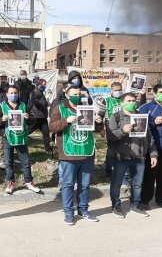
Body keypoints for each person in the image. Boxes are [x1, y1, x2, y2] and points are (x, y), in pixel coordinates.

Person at [49, 84, 103, 225]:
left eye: (79, 94)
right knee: (67, 185)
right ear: (67, 95)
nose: (77, 96)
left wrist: (99, 122)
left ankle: (83, 210)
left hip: (86, 152)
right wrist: (65, 121)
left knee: (84, 185)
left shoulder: (87, 109)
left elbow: (96, 130)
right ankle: (68, 213)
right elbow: (52, 127)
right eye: (74, 94)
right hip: (69, 154)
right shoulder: (59, 109)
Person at [107, 92, 158, 218]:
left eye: (133, 101)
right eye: (129, 101)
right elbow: (110, 135)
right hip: (121, 157)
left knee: (137, 184)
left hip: (139, 156)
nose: (132, 103)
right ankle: (116, 206)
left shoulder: (142, 117)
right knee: (116, 184)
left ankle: (135, 205)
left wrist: (153, 154)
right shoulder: (116, 117)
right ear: (122, 103)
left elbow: (149, 137)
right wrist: (122, 131)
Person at [0, 85, 41, 195]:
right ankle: (10, 182)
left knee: (25, 161)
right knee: (8, 162)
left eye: (15, 93)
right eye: (11, 93)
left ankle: (29, 182)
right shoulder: (1, 106)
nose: (13, 95)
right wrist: (1, 119)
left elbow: (32, 121)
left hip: (21, 137)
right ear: (6, 94)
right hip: (7, 137)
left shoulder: (23, 105)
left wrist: (29, 118)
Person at [102, 82, 123, 178]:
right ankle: (108, 170)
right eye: (116, 90)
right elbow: (101, 114)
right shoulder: (106, 100)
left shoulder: (125, 99)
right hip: (111, 128)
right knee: (111, 151)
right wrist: (102, 128)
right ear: (111, 90)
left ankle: (122, 171)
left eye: (119, 90)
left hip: (124, 127)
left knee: (123, 150)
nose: (118, 92)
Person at [28, 78, 52, 154]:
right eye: (44, 84)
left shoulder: (40, 92)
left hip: (42, 116)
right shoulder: (35, 91)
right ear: (39, 84)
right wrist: (45, 104)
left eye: (45, 84)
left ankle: (48, 149)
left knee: (46, 133)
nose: (45, 86)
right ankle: (19, 143)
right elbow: (34, 101)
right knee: (27, 131)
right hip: (36, 116)